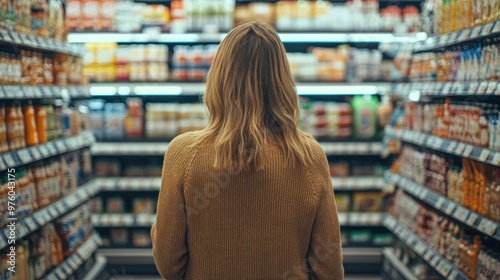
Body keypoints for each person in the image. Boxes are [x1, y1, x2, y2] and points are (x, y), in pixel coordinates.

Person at [151, 21, 344, 280]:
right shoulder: (309, 156)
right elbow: (329, 269)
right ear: (282, 82)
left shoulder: (184, 154)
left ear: (219, 79)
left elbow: (168, 263)